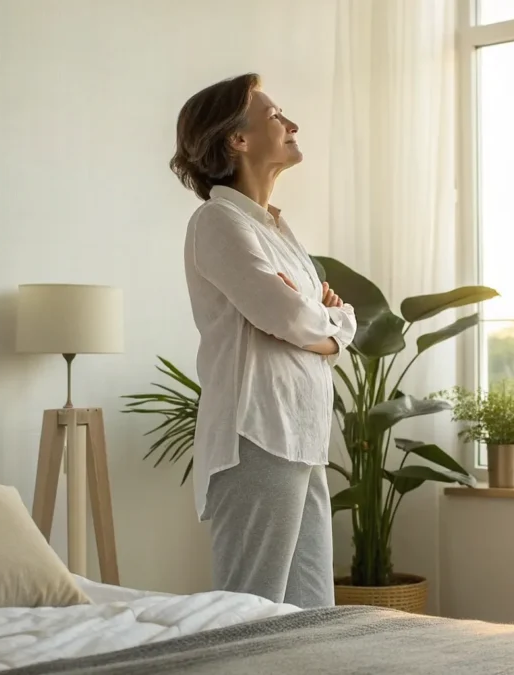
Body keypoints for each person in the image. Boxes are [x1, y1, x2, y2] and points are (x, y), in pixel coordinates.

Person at [168, 73, 355, 608]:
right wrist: (330, 328)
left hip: (302, 437)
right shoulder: (218, 222)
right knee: (248, 612)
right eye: (275, 116)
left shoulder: (279, 233)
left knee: (312, 613)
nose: (291, 124)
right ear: (238, 140)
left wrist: (328, 328)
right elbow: (290, 315)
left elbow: (322, 319)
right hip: (258, 436)